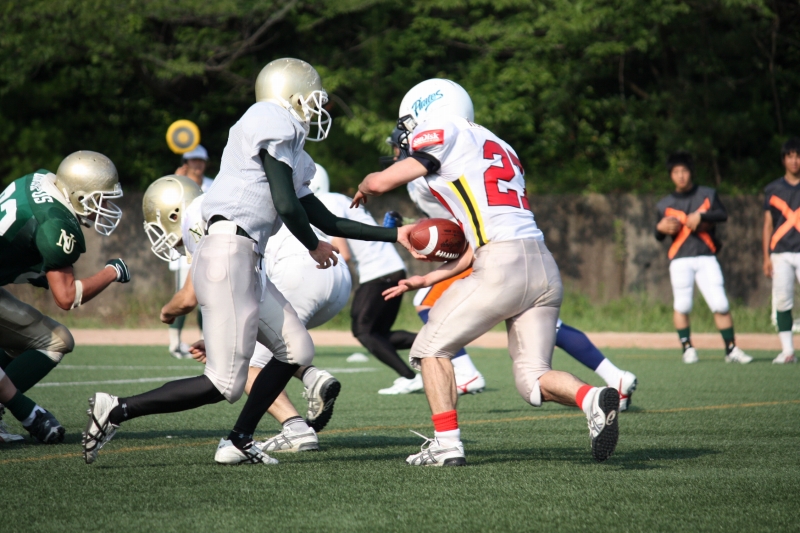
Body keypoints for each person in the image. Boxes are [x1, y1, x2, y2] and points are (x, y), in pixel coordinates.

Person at [83, 58, 416, 466]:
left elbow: (325, 217)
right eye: (312, 99)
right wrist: (313, 245)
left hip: (248, 258)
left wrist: (396, 235)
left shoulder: (293, 147)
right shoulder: (270, 119)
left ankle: (239, 439)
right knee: (224, 383)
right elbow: (286, 204)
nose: (316, 109)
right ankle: (116, 409)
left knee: (296, 350)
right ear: (290, 94)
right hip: (229, 251)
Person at [354, 78, 621, 465]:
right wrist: (428, 279)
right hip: (542, 267)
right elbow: (478, 238)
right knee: (532, 379)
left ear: (427, 112)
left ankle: (447, 444)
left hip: (501, 264)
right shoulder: (501, 145)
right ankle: (591, 397)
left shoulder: (443, 129)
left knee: (429, 349)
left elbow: (382, 182)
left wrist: (365, 185)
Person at [387, 127, 637, 408]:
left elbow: (453, 220)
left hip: (486, 249)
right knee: (544, 333)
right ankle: (612, 377)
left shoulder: (428, 166)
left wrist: (409, 230)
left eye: (398, 146)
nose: (396, 153)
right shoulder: (492, 151)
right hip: (529, 249)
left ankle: (466, 374)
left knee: (426, 310)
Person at [142, 174, 348, 452]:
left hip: (296, 270)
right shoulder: (227, 201)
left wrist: (166, 313)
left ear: (175, 212)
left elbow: (188, 298)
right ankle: (311, 377)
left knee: (247, 362)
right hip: (335, 276)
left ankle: (294, 427)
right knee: (278, 346)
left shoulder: (200, 214)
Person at [0, 151, 129, 444]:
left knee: (21, 339)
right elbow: (67, 297)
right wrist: (112, 272)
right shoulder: (56, 222)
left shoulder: (38, 179)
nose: (104, 208)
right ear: (78, 195)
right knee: (57, 340)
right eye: (100, 199)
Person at [311, 164, 422, 394]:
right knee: (377, 334)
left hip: (380, 271)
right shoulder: (336, 199)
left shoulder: (325, 202)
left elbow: (343, 252)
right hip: (386, 268)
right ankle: (437, 343)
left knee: (364, 331)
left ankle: (410, 376)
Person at [655, 152, 752, 364]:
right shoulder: (664, 204)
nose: (681, 176)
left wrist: (702, 216)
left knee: (720, 303)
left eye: (684, 171)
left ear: (691, 172)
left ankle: (731, 349)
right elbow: (659, 235)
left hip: (706, 256)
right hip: (680, 258)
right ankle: (687, 348)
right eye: (676, 172)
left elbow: (722, 214)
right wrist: (659, 228)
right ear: (671, 175)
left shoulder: (707, 194)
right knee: (682, 305)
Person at [167, 144, 213, 358]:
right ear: (186, 163)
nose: (197, 165)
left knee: (206, 298)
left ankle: (207, 340)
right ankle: (175, 343)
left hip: (207, 248)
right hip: (184, 247)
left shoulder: (213, 185)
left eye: (200, 161)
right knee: (183, 296)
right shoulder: (178, 186)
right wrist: (177, 180)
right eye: (193, 160)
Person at [762, 137, 800, 364]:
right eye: (790, 156)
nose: (794, 161)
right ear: (784, 159)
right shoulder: (773, 189)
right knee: (783, 301)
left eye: (798, 156)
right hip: (780, 253)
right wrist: (766, 257)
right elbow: (768, 225)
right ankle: (788, 352)